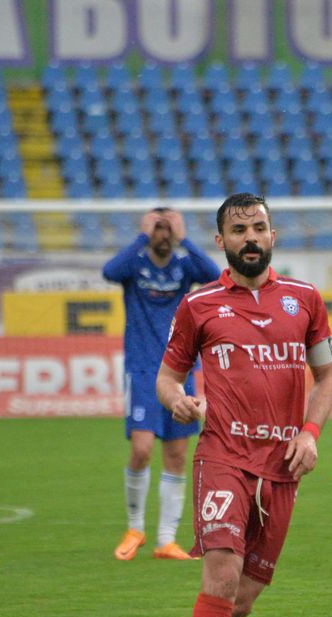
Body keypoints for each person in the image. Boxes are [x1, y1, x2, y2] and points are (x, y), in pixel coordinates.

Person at [131, 192, 332, 617]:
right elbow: (167, 378)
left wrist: (310, 434)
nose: (251, 237)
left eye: (259, 227)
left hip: (282, 468)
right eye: (239, 229)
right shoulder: (199, 305)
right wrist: (178, 402)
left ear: (273, 236)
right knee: (220, 580)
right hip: (222, 456)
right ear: (221, 242)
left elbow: (328, 379)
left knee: (239, 603)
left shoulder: (305, 300)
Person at [104, 208, 221, 561]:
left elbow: (214, 274)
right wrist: (142, 234)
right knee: (141, 449)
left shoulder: (184, 268)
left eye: (168, 228)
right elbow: (109, 271)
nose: (163, 233)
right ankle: (135, 528)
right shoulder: (134, 266)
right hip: (141, 371)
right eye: (158, 227)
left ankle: (166, 541)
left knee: (176, 454)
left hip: (180, 370)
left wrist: (185, 237)